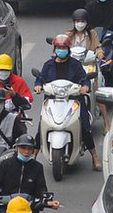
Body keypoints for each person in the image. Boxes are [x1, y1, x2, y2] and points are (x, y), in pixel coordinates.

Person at [35, 35, 96, 165]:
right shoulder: (48, 65)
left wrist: (85, 86)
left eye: (63, 47)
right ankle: (32, 158)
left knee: (85, 126)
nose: (61, 50)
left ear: (68, 49)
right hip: (52, 100)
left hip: (73, 100)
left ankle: (95, 156)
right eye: (59, 47)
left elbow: (84, 78)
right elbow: (40, 78)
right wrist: (38, 85)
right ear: (54, 49)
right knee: (41, 126)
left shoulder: (75, 64)